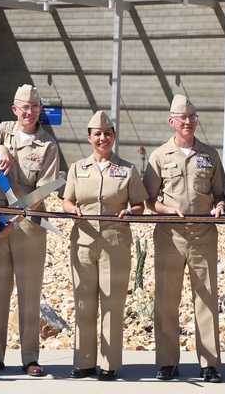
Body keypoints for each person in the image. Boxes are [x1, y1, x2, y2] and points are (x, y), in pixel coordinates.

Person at [0, 84, 59, 378]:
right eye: (24, 107)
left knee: (29, 292)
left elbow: (44, 191)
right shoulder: (4, 130)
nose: (29, 112)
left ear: (39, 111)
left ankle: (30, 357)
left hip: (30, 222)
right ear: (15, 109)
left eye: (35, 107)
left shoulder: (48, 145)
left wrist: (14, 223)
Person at [142, 94, 225, 383]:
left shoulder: (210, 155)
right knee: (167, 299)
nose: (188, 122)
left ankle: (209, 364)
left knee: (206, 298)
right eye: (182, 118)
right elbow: (149, 201)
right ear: (172, 122)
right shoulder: (158, 157)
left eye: (192, 117)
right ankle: (167, 362)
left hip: (203, 236)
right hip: (170, 236)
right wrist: (166, 209)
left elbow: (220, 193)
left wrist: (219, 206)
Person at [61, 110, 148, 381]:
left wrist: (130, 213)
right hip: (84, 243)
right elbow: (67, 200)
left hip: (115, 244)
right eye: (97, 134)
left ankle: (110, 364)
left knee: (112, 304)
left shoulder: (128, 169)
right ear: (89, 137)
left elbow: (139, 205)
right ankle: (84, 362)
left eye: (108, 133)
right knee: (84, 304)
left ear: (114, 137)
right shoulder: (77, 168)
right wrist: (71, 209)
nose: (103, 138)